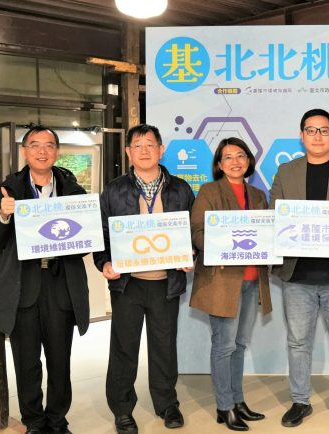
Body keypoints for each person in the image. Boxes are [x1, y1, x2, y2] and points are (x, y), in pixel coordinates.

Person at [0, 125, 90, 434]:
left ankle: (57, 420)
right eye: (35, 145)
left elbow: (85, 240)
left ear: (57, 151)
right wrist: (4, 215)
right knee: (27, 361)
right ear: (24, 151)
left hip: (60, 284)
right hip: (24, 286)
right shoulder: (9, 190)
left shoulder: (73, 190)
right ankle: (34, 422)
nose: (42, 151)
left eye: (49, 145)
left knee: (60, 360)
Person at [269, 108, 329, 429]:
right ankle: (300, 400)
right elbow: (275, 215)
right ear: (302, 136)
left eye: (324, 130)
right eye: (311, 130)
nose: (317, 136)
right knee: (298, 342)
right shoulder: (286, 172)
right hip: (297, 275)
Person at [94, 124, 195, 434]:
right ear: (128, 152)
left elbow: (192, 231)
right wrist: (104, 262)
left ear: (161, 150)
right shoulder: (114, 189)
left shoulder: (180, 189)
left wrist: (191, 253)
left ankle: (167, 404)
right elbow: (101, 232)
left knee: (164, 346)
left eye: (150, 144)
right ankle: (122, 409)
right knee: (124, 347)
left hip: (166, 282)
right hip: (128, 284)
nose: (144, 151)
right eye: (137, 146)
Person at [189, 138, 273, 431]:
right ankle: (224, 407)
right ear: (219, 164)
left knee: (239, 345)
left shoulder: (258, 195)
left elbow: (267, 233)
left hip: (252, 280)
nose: (236, 162)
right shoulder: (209, 191)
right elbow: (197, 231)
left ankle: (238, 401)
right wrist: (218, 249)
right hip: (223, 281)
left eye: (241, 155)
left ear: (248, 160)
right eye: (228, 157)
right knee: (223, 346)